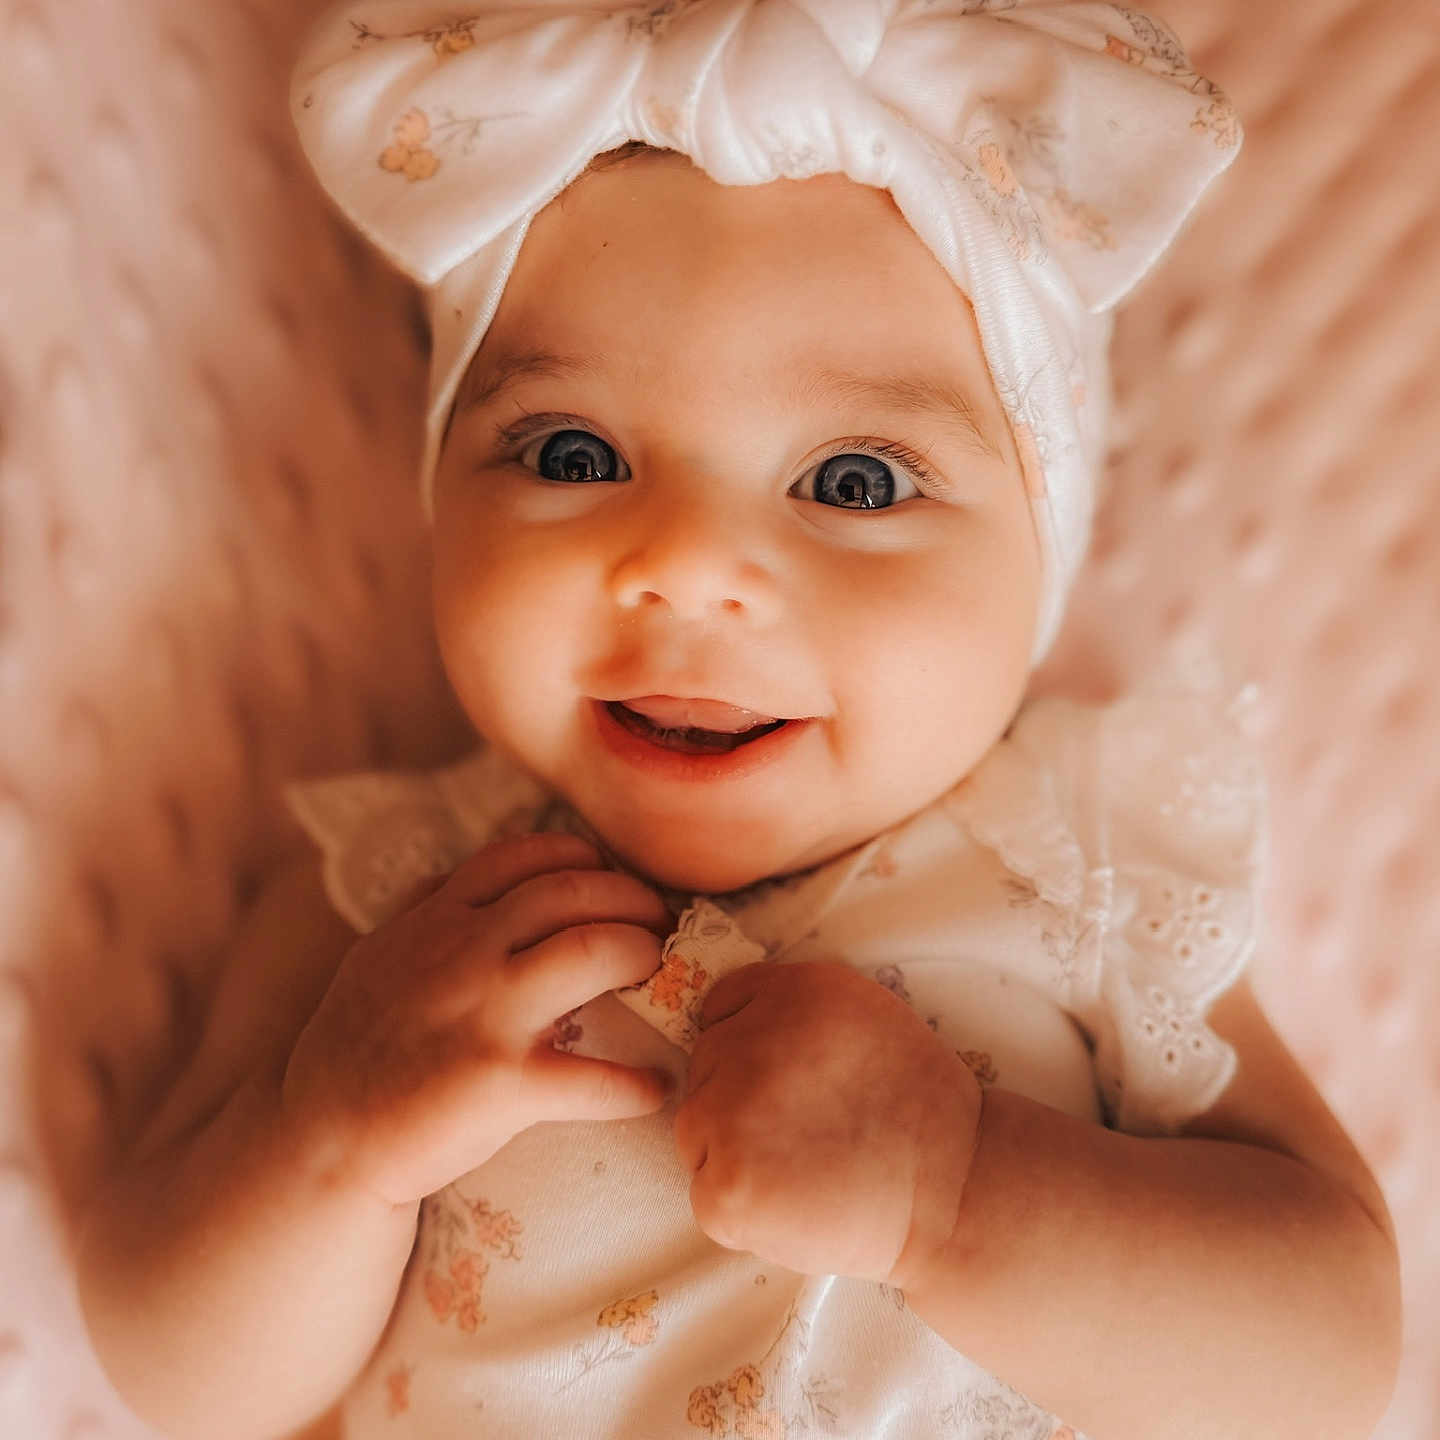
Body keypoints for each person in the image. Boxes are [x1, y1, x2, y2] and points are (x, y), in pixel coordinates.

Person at [74, 3, 1402, 1438]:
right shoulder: (398, 903)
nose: (692, 572)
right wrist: (328, 1141)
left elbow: (1330, 1352)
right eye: (574, 456)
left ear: (1036, 561)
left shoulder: (1084, 874)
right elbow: (177, 1377)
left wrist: (954, 1196)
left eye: (852, 484)